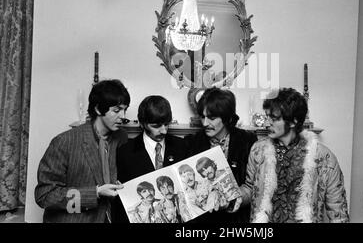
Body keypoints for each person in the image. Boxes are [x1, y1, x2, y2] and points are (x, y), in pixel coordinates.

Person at [240, 88, 349, 223]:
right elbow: (250, 188)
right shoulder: (258, 150)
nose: (267, 123)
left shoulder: (324, 157)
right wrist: (234, 198)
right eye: (267, 117)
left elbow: (338, 212)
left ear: (294, 121)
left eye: (274, 118)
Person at [35, 79, 130, 223]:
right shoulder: (64, 142)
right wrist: (95, 193)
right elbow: (45, 196)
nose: (122, 116)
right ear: (98, 109)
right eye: (116, 110)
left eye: (125, 110)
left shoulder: (121, 137)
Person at [184, 87, 257, 222]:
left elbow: (254, 187)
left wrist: (234, 198)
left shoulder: (247, 141)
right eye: (202, 117)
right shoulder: (191, 142)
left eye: (211, 118)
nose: (205, 123)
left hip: (236, 222)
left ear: (227, 117)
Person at [113, 95, 188, 223]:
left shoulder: (182, 146)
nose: (163, 131)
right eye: (156, 126)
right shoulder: (124, 152)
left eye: (166, 124)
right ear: (142, 124)